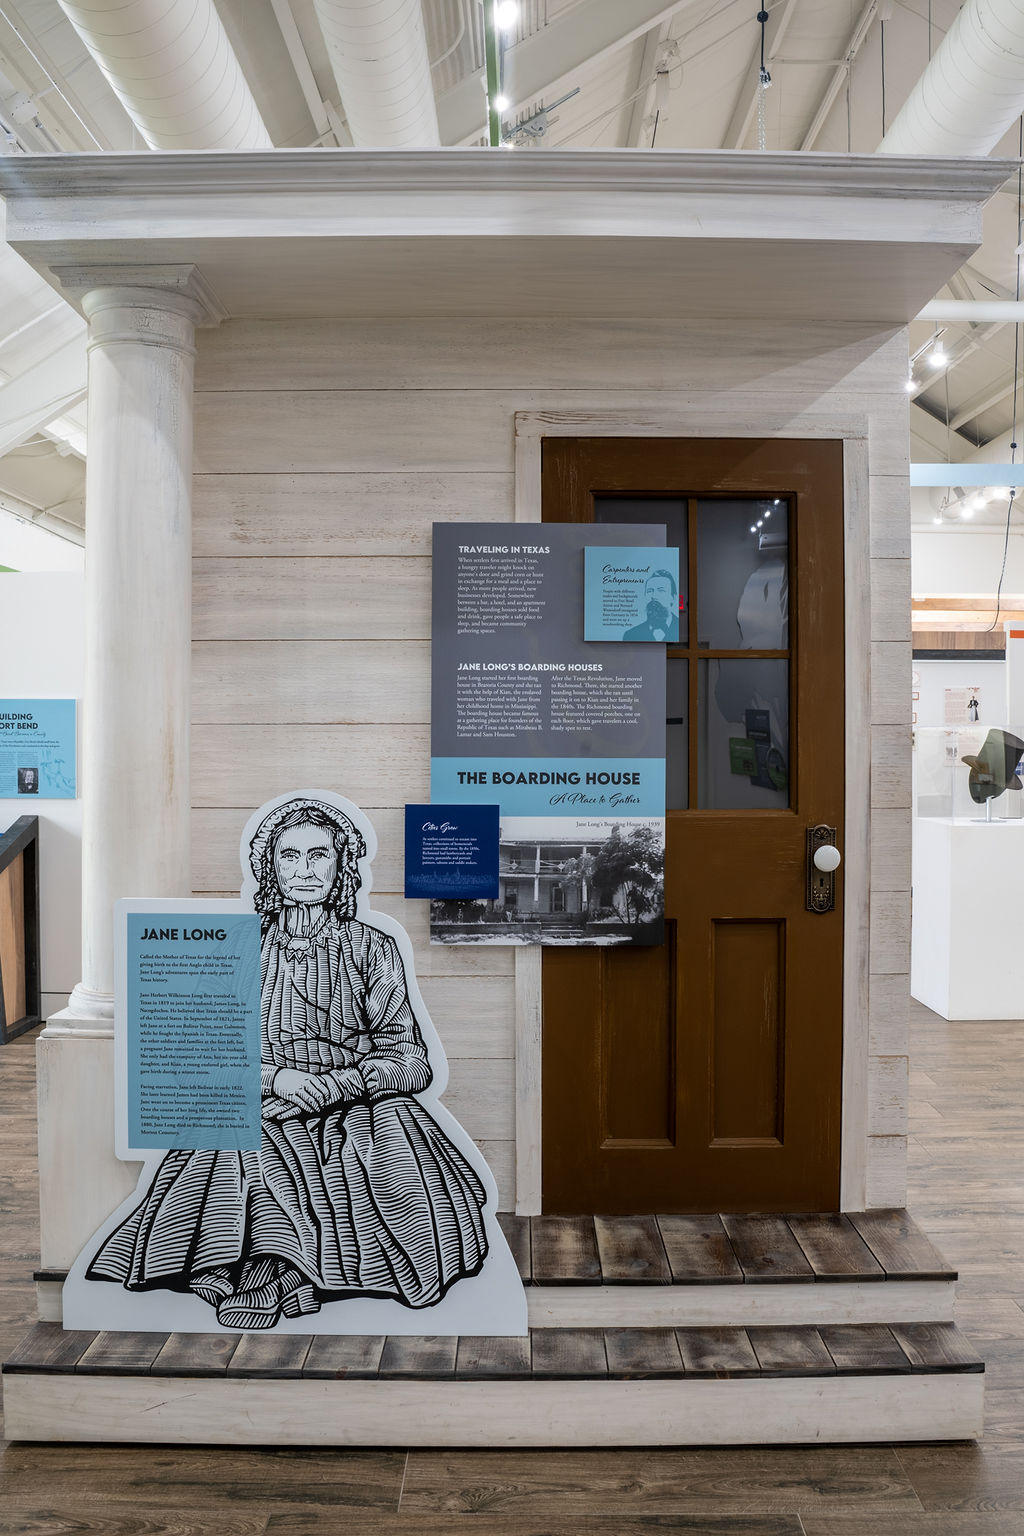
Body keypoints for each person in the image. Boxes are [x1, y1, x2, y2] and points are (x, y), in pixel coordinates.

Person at [87, 796, 489, 1329]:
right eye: (290, 857)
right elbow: (204, 1052)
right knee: (241, 1147)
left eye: (319, 856)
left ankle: (275, 1278)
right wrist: (276, 1076)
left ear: (340, 865)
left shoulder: (371, 946)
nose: (305, 871)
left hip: (355, 1108)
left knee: (383, 1151)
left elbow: (412, 1058)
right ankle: (268, 1271)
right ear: (270, 869)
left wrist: (341, 1084)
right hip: (265, 1096)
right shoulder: (239, 947)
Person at [623, 569, 680, 641]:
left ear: (673, 598)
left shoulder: (683, 629)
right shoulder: (631, 635)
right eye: (649, 591)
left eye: (661, 590)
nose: (654, 596)